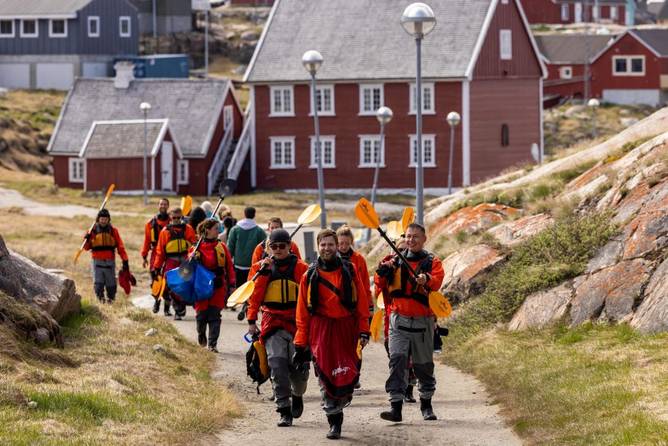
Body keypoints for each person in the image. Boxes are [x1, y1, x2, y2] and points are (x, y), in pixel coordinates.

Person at [293, 229, 370, 440]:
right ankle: (334, 421)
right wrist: (300, 343)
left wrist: (364, 329)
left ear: (337, 246)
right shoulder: (309, 275)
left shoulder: (351, 270)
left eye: (330, 244)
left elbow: (362, 302)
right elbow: (302, 312)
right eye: (323, 245)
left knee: (347, 375)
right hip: (321, 330)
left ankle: (341, 401)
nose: (327, 248)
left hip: (347, 329)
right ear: (318, 247)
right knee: (326, 378)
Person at [374, 223, 445, 423]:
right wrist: (382, 274)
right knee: (397, 363)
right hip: (398, 321)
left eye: (415, 237)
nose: (411, 240)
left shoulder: (433, 262)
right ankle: (395, 407)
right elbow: (379, 288)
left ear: (424, 239)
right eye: (408, 236)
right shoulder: (392, 261)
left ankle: (426, 404)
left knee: (423, 367)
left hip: (423, 322)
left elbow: (437, 280)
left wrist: (426, 279)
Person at [247, 229, 310, 427]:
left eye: (282, 246)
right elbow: (253, 296)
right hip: (272, 321)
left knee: (298, 370)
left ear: (290, 246)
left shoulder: (302, 268)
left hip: (296, 322)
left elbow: (310, 298)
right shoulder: (260, 269)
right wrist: (251, 320)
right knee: (277, 363)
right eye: (273, 246)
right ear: (268, 248)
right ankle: (283, 408)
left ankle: (297, 394)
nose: (278, 250)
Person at [191, 219, 235, 353]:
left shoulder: (222, 247)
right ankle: (201, 334)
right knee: (201, 315)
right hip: (202, 286)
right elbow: (187, 268)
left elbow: (229, 267)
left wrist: (232, 284)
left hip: (218, 285)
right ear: (208, 230)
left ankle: (212, 344)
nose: (219, 231)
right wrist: (191, 257)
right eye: (216, 228)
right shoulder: (196, 248)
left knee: (215, 315)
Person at [336, 225, 371, 390]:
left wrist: (368, 307)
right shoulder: (330, 259)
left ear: (351, 242)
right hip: (337, 308)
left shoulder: (359, 260)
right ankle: (341, 375)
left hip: (355, 307)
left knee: (356, 344)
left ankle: (355, 375)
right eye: (340, 243)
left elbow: (364, 286)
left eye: (346, 243)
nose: (343, 246)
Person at [152, 207, 197, 320]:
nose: (176, 220)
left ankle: (179, 309)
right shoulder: (165, 232)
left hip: (185, 261)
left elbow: (194, 244)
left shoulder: (188, 229)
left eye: (178, 217)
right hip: (171, 261)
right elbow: (160, 251)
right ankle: (174, 305)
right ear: (170, 217)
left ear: (182, 217)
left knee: (182, 286)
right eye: (174, 217)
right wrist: (156, 267)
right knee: (169, 286)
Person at [83, 209, 129, 304]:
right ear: (98, 219)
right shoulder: (92, 231)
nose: (103, 221)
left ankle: (111, 302)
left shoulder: (113, 231)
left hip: (109, 262)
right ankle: (101, 302)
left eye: (105, 219)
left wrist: (125, 261)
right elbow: (86, 248)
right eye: (102, 219)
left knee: (111, 285)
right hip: (97, 262)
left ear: (108, 220)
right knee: (98, 284)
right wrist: (86, 239)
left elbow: (120, 247)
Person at [141, 198, 170, 313]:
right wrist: (144, 256)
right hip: (155, 254)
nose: (163, 206)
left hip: (168, 255)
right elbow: (147, 241)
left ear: (168, 206)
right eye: (161, 204)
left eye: (165, 204)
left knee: (167, 281)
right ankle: (156, 302)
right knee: (155, 280)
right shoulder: (150, 224)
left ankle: (167, 307)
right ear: (158, 206)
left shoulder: (172, 222)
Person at [227, 207, 266, 285]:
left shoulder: (235, 230)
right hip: (253, 267)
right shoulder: (259, 231)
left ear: (244, 214)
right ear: (254, 215)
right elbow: (264, 249)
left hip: (238, 266)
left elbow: (230, 249)